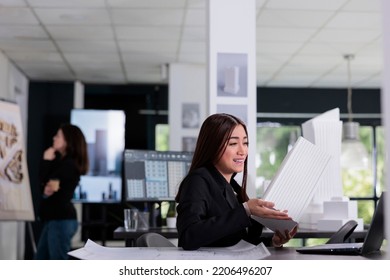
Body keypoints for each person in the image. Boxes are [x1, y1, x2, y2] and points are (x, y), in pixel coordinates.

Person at [175, 113, 297, 250]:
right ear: (213, 146)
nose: (242, 151)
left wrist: (273, 242)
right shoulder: (197, 181)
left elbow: (237, 241)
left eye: (245, 143)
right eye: (233, 143)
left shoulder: (231, 186)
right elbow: (188, 236)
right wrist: (246, 210)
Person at [35, 124, 89, 260]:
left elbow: (47, 187)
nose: (54, 138)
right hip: (55, 220)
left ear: (68, 141)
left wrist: (46, 160)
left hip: (61, 221)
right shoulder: (62, 163)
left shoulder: (68, 165)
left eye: (58, 136)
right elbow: (45, 189)